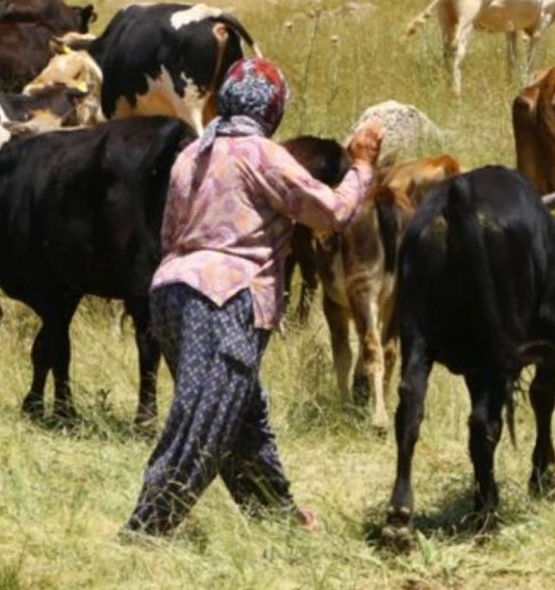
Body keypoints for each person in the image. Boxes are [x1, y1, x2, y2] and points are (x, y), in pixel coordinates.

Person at [124, 57, 383, 536]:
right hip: (224, 299)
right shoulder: (260, 154)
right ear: (272, 109)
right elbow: (331, 213)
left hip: (172, 293)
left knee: (242, 417)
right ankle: (144, 531)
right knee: (202, 422)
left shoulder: (192, 155)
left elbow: (169, 234)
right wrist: (362, 167)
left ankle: (276, 517)